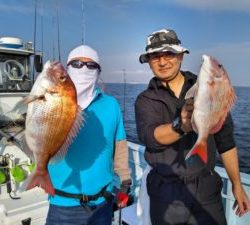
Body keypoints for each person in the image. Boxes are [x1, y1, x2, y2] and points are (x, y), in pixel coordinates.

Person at [135, 28, 250, 225]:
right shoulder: (145, 100)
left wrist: (237, 184)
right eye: (155, 57)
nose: (162, 62)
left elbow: (226, 142)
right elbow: (151, 138)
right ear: (149, 61)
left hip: (207, 188)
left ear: (180, 55)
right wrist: (182, 126)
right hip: (165, 191)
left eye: (169, 54)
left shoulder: (208, 86)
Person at [45, 45, 131, 225]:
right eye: (76, 64)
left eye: (91, 65)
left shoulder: (111, 104)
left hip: (102, 203)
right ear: (67, 70)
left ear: (98, 71)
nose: (84, 69)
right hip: (62, 204)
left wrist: (125, 182)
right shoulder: (52, 101)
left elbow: (120, 146)